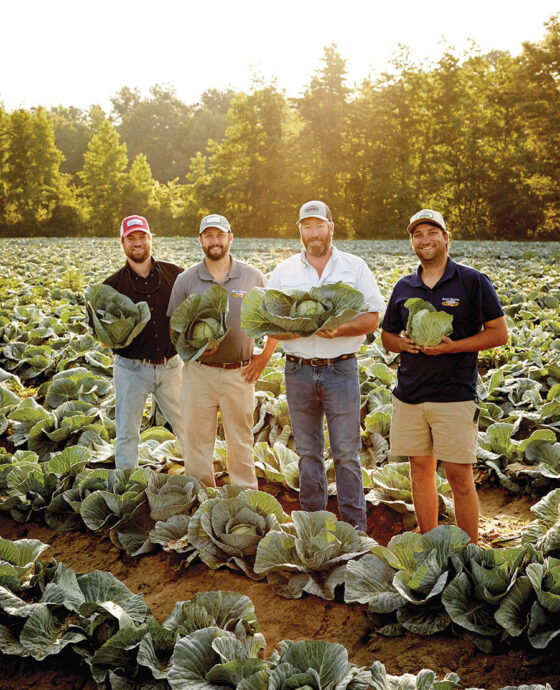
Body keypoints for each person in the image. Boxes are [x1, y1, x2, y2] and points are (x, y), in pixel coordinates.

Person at [381, 209, 508, 544]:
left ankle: (469, 548)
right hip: (409, 394)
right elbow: (387, 336)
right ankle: (429, 543)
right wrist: (403, 343)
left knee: (459, 477)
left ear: (446, 237)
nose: (424, 240)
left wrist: (453, 348)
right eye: (417, 234)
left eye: (431, 232)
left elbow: (498, 333)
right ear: (412, 241)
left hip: (455, 395)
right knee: (420, 473)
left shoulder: (471, 281)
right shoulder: (404, 285)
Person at [266, 200, 385, 532]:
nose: (314, 233)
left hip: (341, 370)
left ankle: (355, 529)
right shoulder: (284, 271)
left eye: (320, 226)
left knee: (346, 453)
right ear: (300, 230)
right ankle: (313, 528)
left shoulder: (355, 267)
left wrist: (341, 329)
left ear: (331, 228)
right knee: (307, 453)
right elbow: (266, 323)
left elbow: (372, 317)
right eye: (307, 227)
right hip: (298, 370)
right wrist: (298, 328)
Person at [167, 213, 276, 489]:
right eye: (209, 235)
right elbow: (174, 329)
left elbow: (275, 318)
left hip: (239, 374)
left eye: (220, 235)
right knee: (196, 438)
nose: (215, 241)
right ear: (200, 240)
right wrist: (198, 350)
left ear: (230, 238)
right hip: (197, 374)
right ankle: (201, 494)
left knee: (240, 440)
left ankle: (244, 494)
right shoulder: (186, 279)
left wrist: (264, 357)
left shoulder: (253, 276)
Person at [103, 215, 186, 470]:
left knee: (188, 427)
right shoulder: (111, 286)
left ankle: (202, 479)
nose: (137, 243)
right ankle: (126, 492)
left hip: (172, 366)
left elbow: (193, 314)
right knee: (127, 434)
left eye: (142, 236)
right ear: (122, 243)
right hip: (131, 369)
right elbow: (103, 335)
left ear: (150, 239)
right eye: (131, 238)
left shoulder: (176, 275)